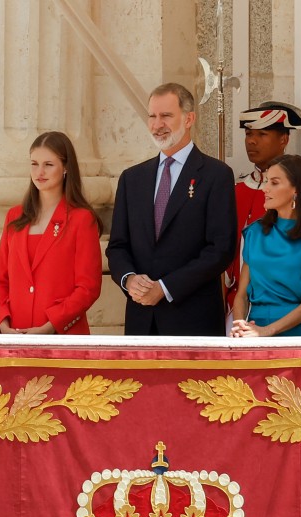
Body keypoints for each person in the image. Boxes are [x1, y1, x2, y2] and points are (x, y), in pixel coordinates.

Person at [106, 83, 237, 336]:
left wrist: (165, 288)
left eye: (166, 116)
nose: (157, 124)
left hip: (193, 322)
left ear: (189, 119)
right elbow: (117, 246)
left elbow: (220, 249)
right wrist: (129, 280)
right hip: (141, 322)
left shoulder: (216, 175)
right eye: (152, 116)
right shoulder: (132, 178)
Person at [0, 131, 103, 334]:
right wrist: (3, 323)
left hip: (64, 340)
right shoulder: (14, 217)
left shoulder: (81, 219)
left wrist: (50, 326)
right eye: (34, 163)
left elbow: (88, 288)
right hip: (16, 337)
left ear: (66, 167)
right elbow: (0, 281)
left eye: (48, 165)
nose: (39, 172)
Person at [226, 102, 301, 315]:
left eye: (262, 134)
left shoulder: (297, 191)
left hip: (283, 307)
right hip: (235, 306)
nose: (252, 141)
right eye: (248, 134)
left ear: (284, 139)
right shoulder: (236, 190)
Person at [230, 154, 301, 337]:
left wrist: (267, 331)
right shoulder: (254, 232)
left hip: (295, 334)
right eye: (266, 181)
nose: (265, 189)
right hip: (252, 332)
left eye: (274, 183)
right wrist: (240, 327)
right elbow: (242, 295)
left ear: (296, 190)